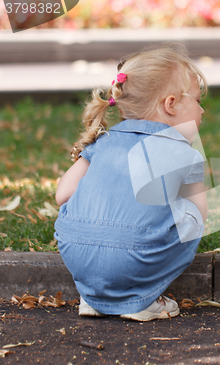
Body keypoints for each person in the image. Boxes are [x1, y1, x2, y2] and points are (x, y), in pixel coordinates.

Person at [54, 43, 208, 321]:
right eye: (198, 101)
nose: (202, 111)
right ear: (171, 104)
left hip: (77, 255)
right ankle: (143, 298)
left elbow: (63, 194)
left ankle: (94, 297)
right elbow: (200, 214)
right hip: (138, 259)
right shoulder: (186, 154)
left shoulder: (103, 141)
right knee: (193, 219)